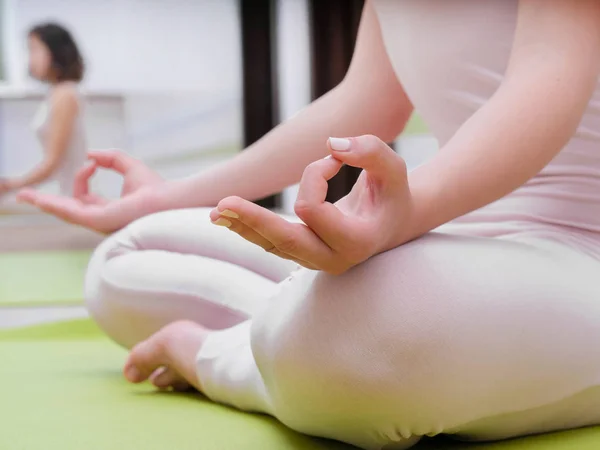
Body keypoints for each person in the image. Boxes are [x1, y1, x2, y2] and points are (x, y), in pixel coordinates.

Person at [17, 0, 600, 448]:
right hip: (455, 240)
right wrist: (168, 198)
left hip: (582, 253)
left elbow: (550, 66)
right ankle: (297, 326)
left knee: (380, 327)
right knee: (122, 261)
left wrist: (406, 211)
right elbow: (363, 97)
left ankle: (219, 356)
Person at [0, 23, 86, 199]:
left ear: (55, 52)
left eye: (34, 49)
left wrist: (11, 185)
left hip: (72, 196)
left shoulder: (64, 94)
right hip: (66, 193)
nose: (30, 58)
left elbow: (54, 162)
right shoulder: (57, 93)